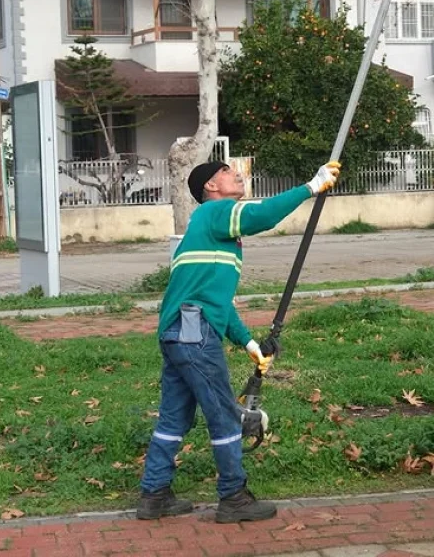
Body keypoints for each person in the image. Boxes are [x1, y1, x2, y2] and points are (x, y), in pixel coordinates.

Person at [137, 159, 341, 523]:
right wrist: (312, 186)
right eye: (230, 172)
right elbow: (263, 215)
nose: (238, 175)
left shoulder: (209, 234)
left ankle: (154, 496)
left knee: (173, 419)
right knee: (224, 418)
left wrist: (250, 346)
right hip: (194, 332)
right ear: (211, 187)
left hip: (178, 332)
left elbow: (216, 303)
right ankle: (233, 497)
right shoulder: (216, 212)